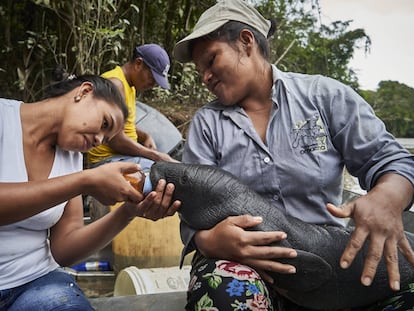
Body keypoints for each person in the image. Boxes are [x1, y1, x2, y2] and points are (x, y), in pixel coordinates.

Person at [172, 0, 414, 310]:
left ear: (246, 42)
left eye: (211, 60)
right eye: (200, 70)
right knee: (224, 289)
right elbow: (193, 206)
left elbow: (393, 162)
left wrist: (386, 199)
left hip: (328, 264)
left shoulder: (324, 97)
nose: (205, 76)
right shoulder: (207, 123)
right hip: (246, 266)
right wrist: (211, 242)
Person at [0, 74, 180, 310]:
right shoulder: (4, 118)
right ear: (84, 92)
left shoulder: (71, 157)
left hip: (35, 283)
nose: (99, 140)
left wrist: (127, 212)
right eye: (105, 124)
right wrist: (85, 181)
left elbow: (65, 249)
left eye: (106, 138)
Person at [87, 43, 178, 173]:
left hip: (124, 157)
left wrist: (144, 136)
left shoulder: (130, 86)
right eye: (152, 78)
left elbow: (122, 125)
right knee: (169, 174)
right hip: (107, 160)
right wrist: (155, 156)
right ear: (138, 64)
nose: (152, 85)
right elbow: (115, 140)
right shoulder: (115, 84)